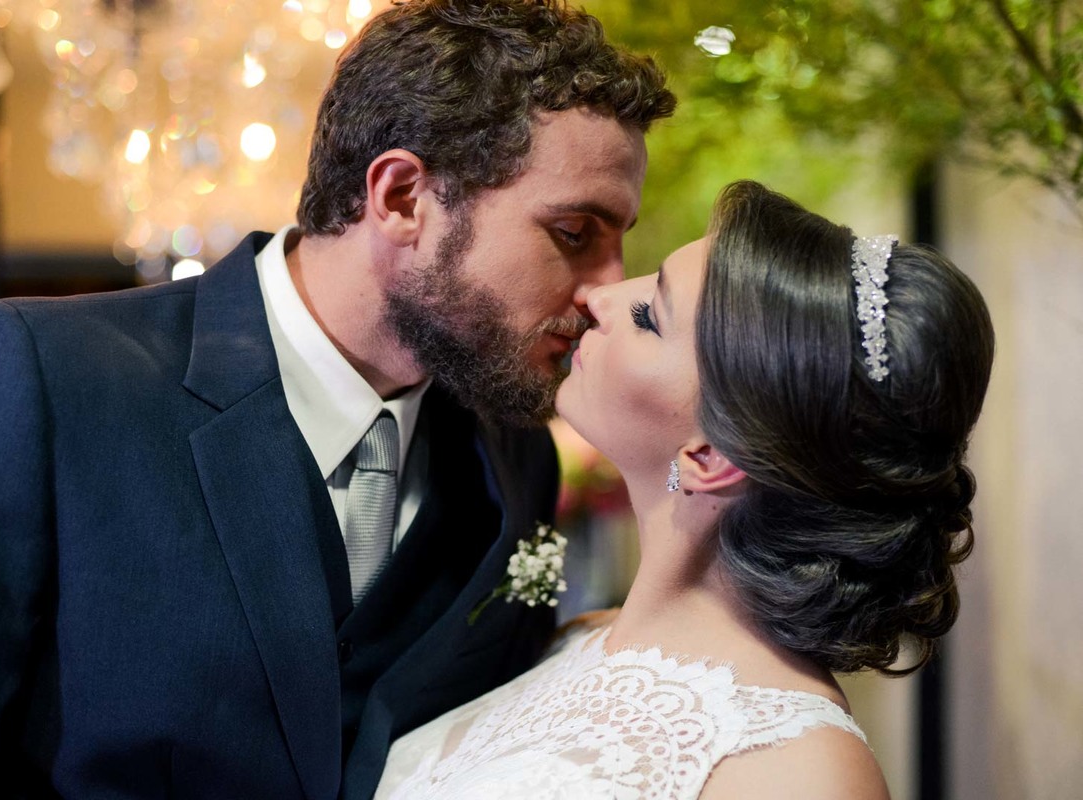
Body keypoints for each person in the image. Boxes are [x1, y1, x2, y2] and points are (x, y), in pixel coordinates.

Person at [0, 1, 675, 797]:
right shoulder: (47, 378)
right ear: (400, 197)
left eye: (621, 243)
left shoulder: (514, 456)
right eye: (576, 233)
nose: (609, 290)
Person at [375, 180, 995, 799]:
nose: (602, 297)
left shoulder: (797, 772)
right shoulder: (576, 637)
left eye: (649, 317)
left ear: (710, 457)